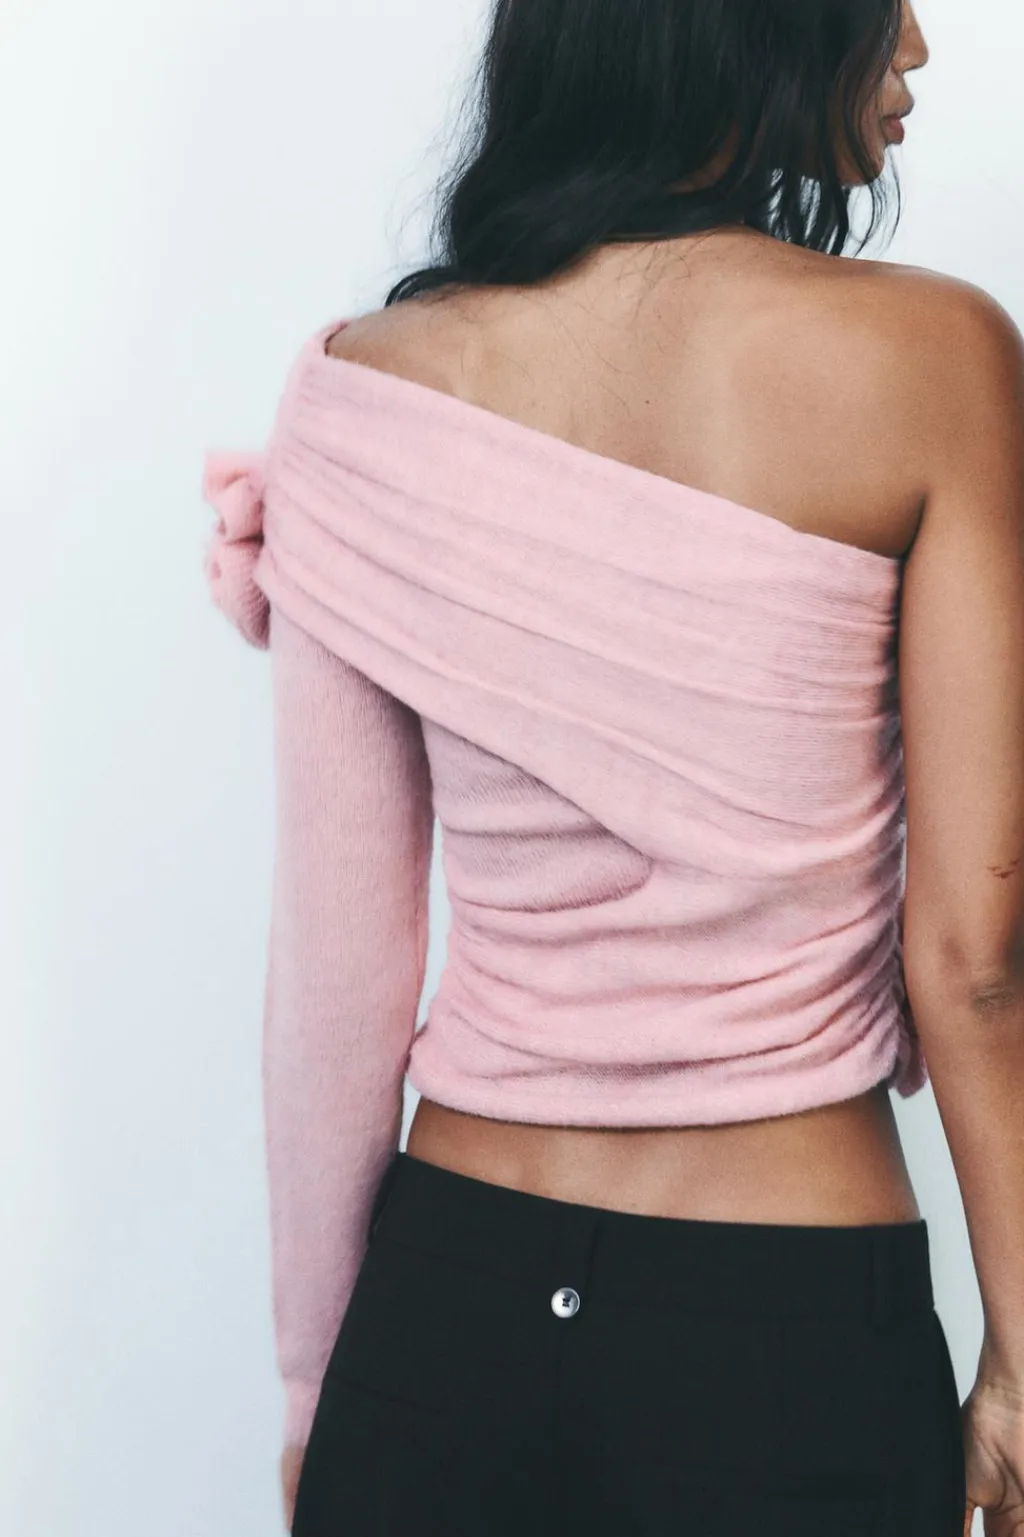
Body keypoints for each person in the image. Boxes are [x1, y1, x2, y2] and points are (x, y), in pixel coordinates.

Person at [202, 1, 1024, 1532]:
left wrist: (320, 1391)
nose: (913, 42)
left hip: (449, 1314)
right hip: (787, 1324)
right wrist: (1021, 1362)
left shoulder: (364, 393)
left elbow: (337, 975)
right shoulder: (933, 357)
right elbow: (975, 963)